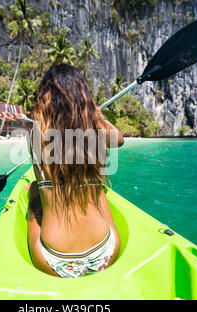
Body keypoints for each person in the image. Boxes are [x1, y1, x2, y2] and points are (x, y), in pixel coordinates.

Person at [26, 64, 124, 278]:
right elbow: (118, 139)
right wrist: (95, 114)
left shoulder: (35, 135)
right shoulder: (95, 130)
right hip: (105, 251)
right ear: (84, 99)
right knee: (97, 186)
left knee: (34, 190)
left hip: (53, 262)